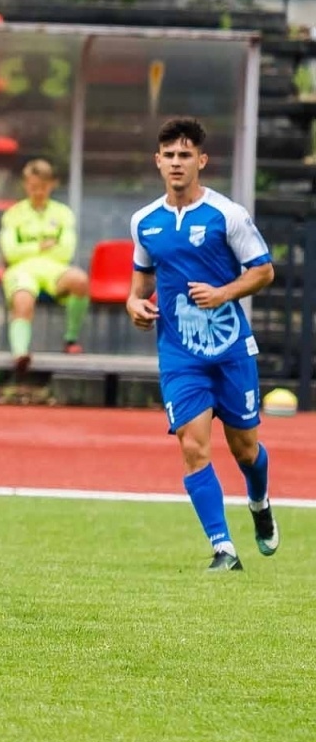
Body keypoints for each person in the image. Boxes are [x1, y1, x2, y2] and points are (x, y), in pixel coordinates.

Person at [127, 116, 279, 571]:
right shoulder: (145, 222)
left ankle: (259, 501)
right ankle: (223, 548)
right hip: (179, 354)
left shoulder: (227, 215)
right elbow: (139, 285)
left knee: (245, 449)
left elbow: (264, 270)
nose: (176, 163)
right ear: (158, 161)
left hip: (230, 349)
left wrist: (223, 292)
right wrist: (134, 304)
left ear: (201, 161)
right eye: (169, 155)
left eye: (185, 155)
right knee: (193, 445)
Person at [0, 158, 91, 374]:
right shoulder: (13, 214)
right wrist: (41, 245)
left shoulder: (63, 213)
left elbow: (66, 251)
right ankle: (20, 353)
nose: (37, 191)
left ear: (51, 184)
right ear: (25, 185)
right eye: (32, 186)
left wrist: (28, 246)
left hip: (54, 270)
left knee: (80, 280)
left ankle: (70, 339)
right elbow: (10, 252)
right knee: (23, 299)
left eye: (42, 186)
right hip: (21, 269)